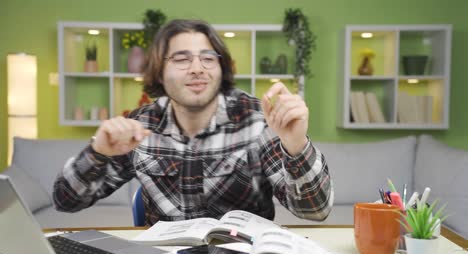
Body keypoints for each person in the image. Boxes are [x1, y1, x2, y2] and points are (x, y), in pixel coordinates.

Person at [53, 19, 333, 225]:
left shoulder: (257, 120)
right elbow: (66, 201)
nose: (197, 68)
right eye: (181, 59)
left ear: (221, 71)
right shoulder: (140, 125)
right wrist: (97, 154)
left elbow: (315, 211)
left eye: (208, 58)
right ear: (160, 73)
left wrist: (296, 145)